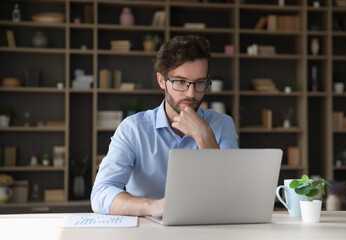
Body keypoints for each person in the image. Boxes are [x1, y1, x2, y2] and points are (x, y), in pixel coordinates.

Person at [91, 35, 239, 217]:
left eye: (199, 83)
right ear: (162, 81)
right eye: (180, 82)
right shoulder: (133, 129)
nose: (191, 93)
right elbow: (101, 193)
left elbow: (233, 196)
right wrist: (154, 207)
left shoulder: (222, 125)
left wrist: (205, 137)